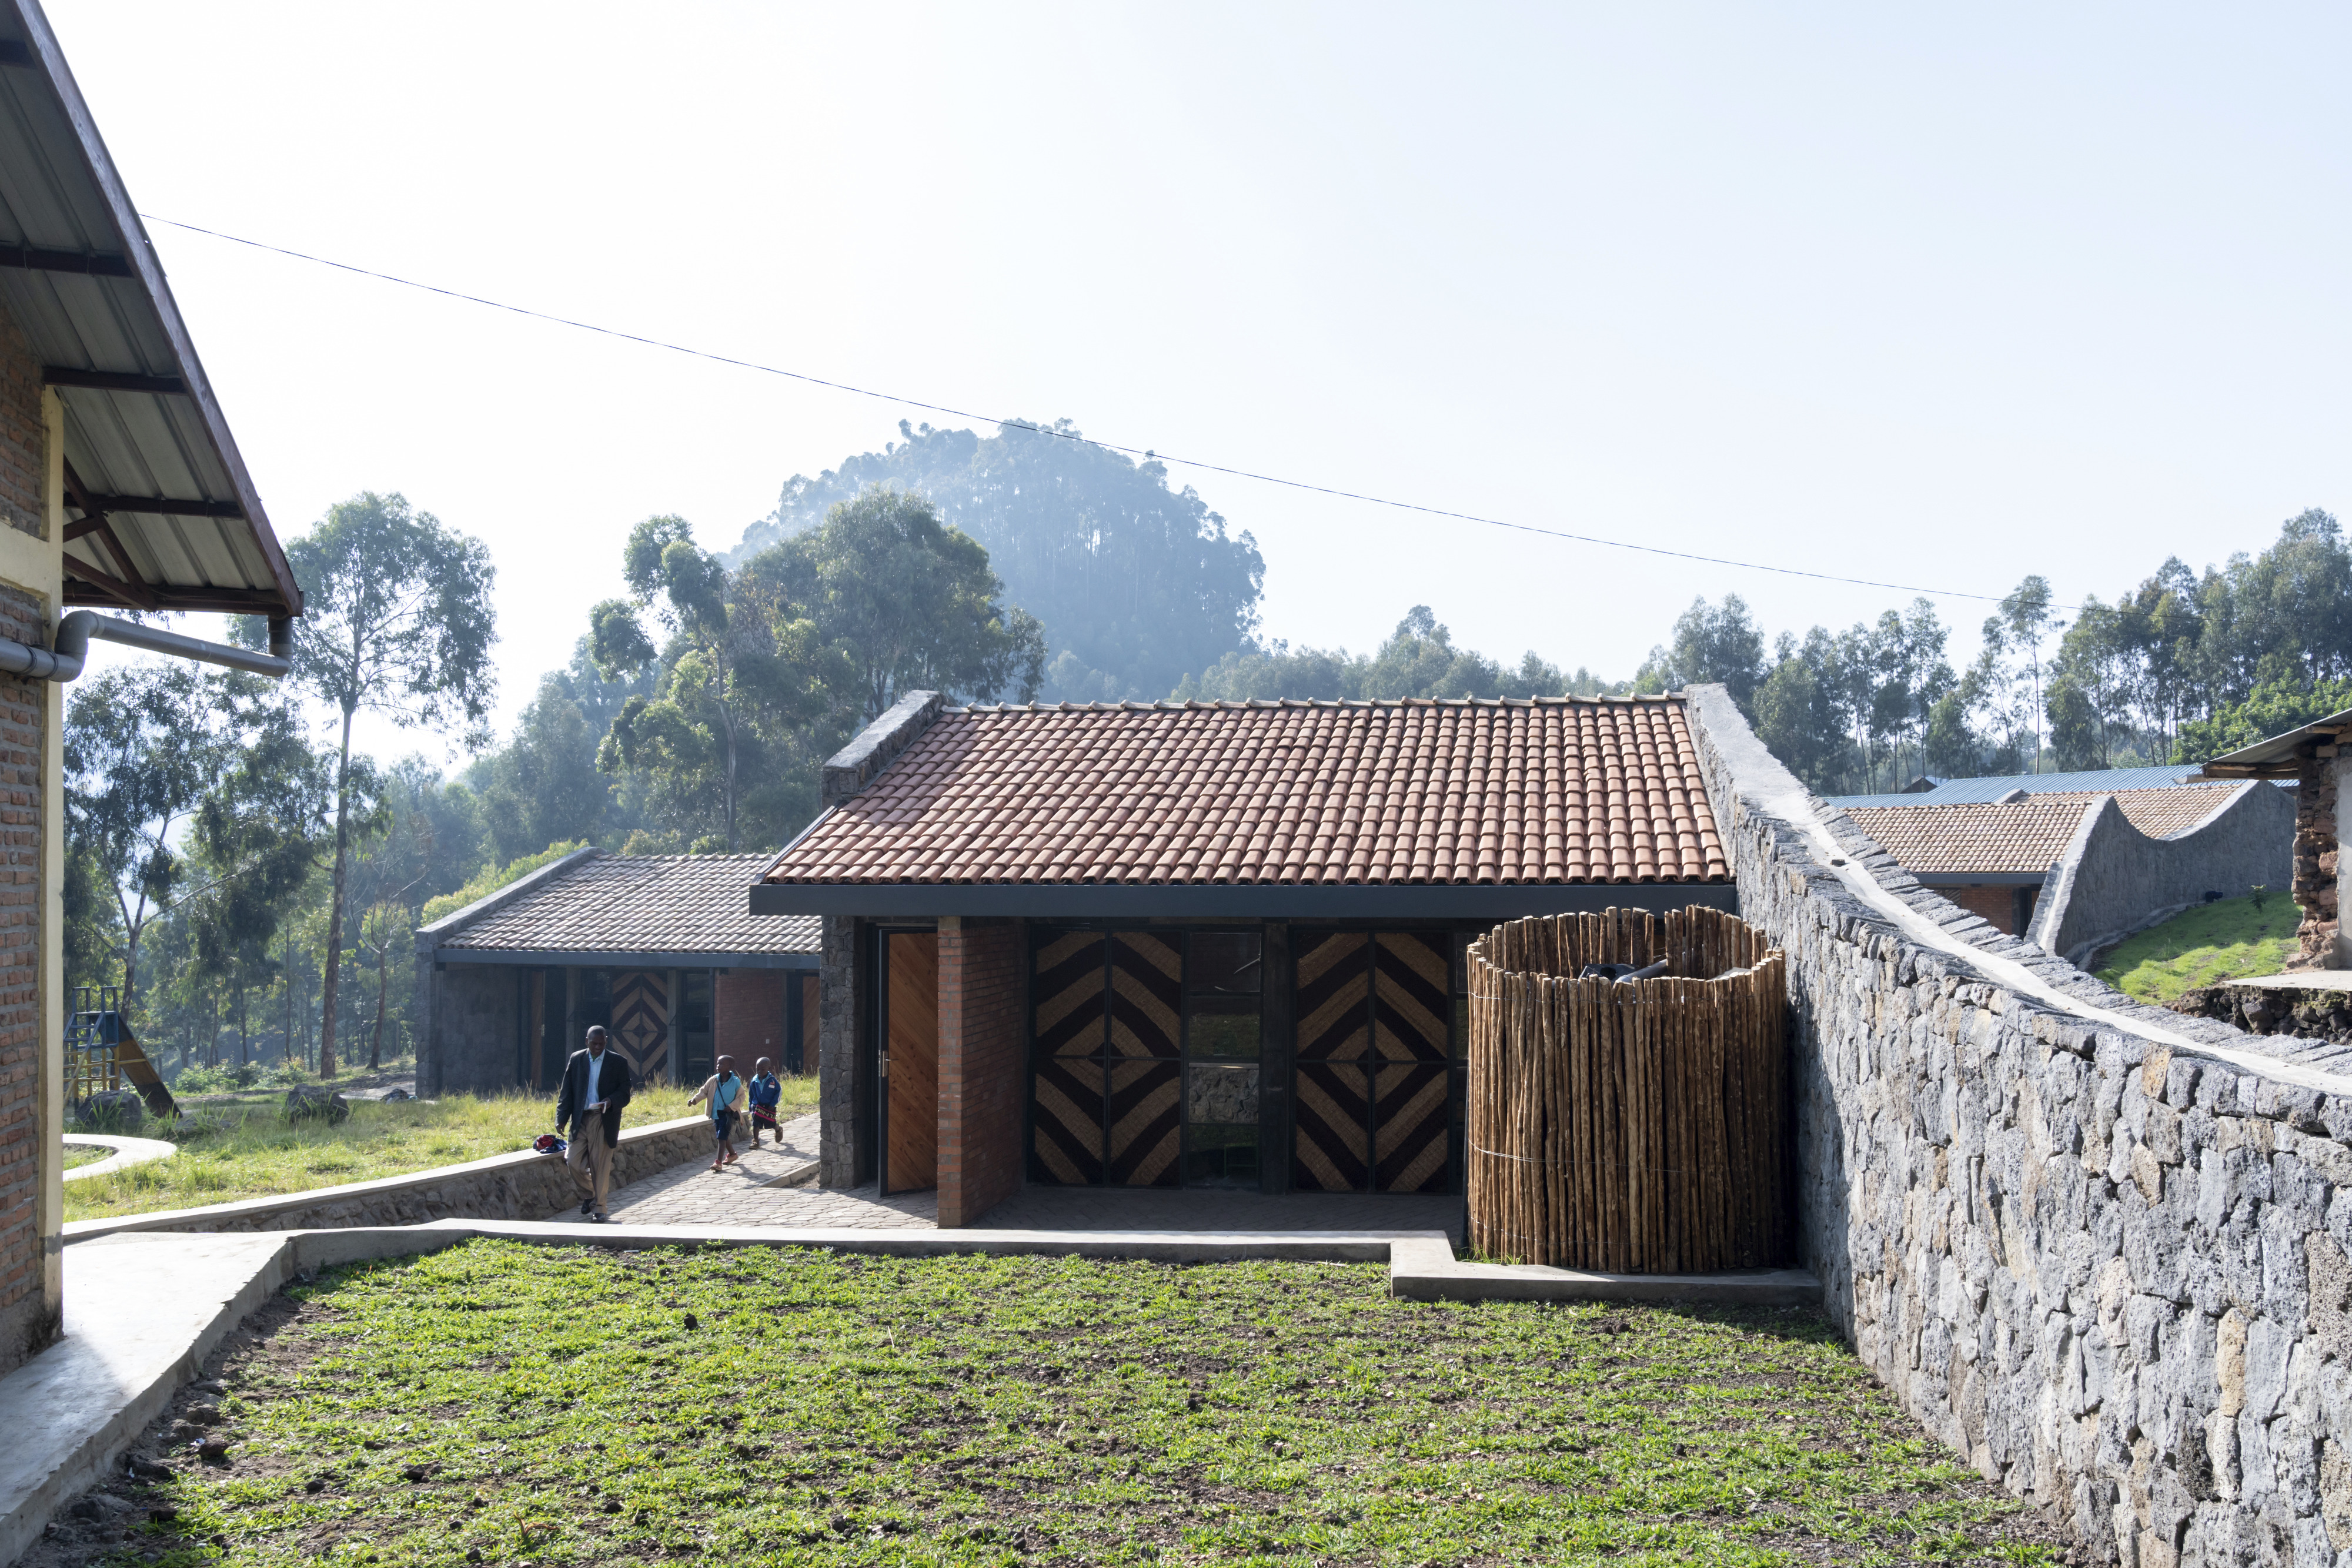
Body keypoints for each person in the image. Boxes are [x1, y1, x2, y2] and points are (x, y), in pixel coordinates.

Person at [555, 1025, 633, 1223]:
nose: (598, 1047)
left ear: (606, 1041)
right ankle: (590, 1193)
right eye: (594, 1043)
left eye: (601, 1043)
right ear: (586, 1042)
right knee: (573, 1162)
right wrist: (561, 1118)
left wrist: (610, 1101)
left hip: (603, 1118)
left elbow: (625, 1093)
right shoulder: (577, 1059)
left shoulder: (618, 1062)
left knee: (600, 1165)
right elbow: (567, 1091)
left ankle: (600, 1209)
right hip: (580, 1118)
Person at [687, 1055, 746, 1172]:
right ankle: (733, 1154)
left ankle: (718, 1162)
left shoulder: (735, 1082)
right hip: (716, 1113)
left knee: (721, 1136)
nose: (718, 1066)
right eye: (718, 1063)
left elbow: (742, 1097)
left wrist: (731, 1106)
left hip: (728, 1114)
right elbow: (704, 1092)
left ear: (730, 1067)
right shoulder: (714, 1080)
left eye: (722, 1064)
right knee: (723, 1135)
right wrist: (694, 1100)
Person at [747, 1057, 783, 1147]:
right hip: (757, 1106)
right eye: (757, 1069)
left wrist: (773, 1103)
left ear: (769, 1069)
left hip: (768, 1106)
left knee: (770, 1123)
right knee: (756, 1123)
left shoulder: (772, 1081)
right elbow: (751, 1094)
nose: (760, 1071)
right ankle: (756, 1141)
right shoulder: (754, 1081)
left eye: (763, 1069)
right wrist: (750, 1104)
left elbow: (779, 1092)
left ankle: (778, 1129)